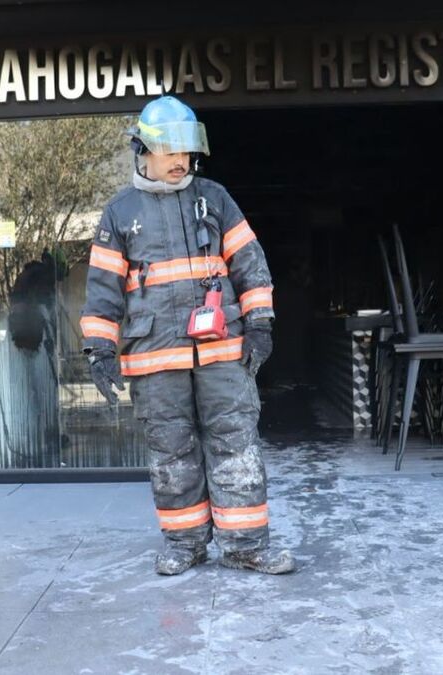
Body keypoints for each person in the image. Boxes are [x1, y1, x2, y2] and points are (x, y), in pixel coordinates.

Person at [80, 96, 294, 575]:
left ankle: (246, 546)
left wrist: (259, 323)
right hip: (155, 358)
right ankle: (185, 545)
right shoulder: (119, 213)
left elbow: (250, 265)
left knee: (235, 442)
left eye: (186, 151)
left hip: (221, 352)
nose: (181, 161)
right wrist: (99, 348)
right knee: (171, 451)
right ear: (145, 150)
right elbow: (102, 290)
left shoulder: (214, 199)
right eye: (170, 151)